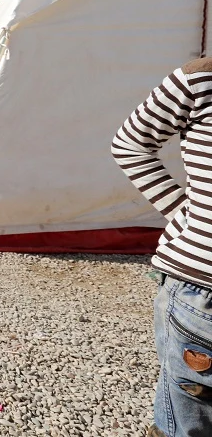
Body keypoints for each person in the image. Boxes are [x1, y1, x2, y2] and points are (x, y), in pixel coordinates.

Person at [112, 58, 212, 437]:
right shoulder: (200, 80)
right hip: (203, 290)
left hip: (199, 288)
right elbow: (131, 144)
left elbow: (129, 144)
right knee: (191, 410)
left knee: (188, 410)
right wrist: (184, 211)